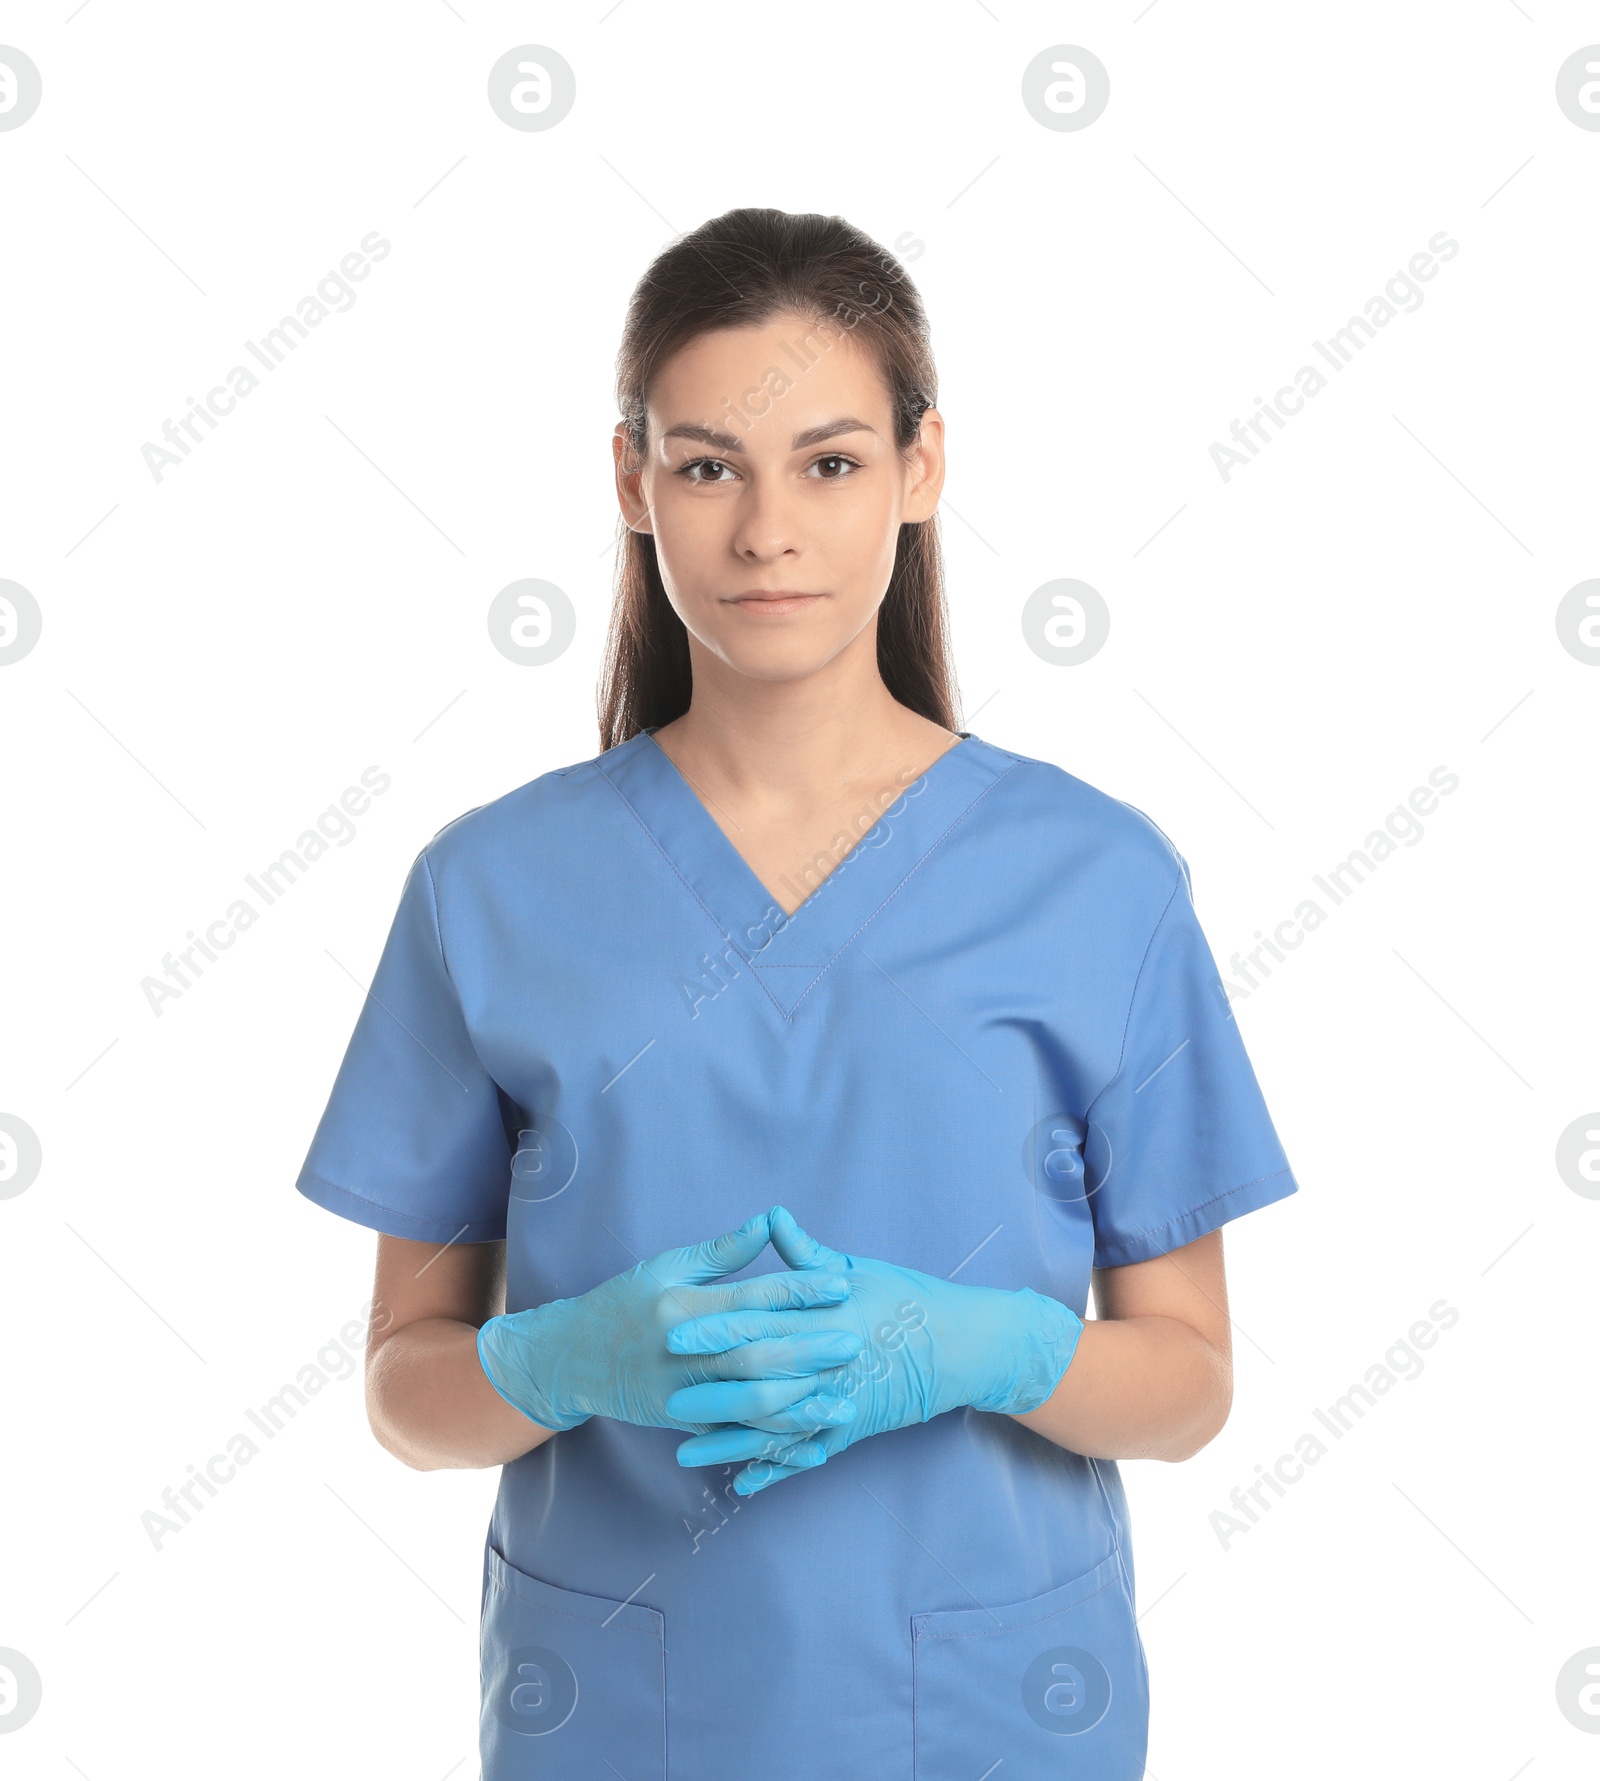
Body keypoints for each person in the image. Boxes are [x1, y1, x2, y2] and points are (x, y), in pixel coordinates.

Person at [295, 207, 1299, 1779]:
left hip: (989, 1712)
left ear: (924, 467)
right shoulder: (485, 888)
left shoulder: (1098, 880)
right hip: (620, 1713)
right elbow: (403, 1392)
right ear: (632, 483)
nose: (768, 531)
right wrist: (556, 1361)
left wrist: (995, 1350)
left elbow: (1189, 1387)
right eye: (708, 465)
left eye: (830, 462)